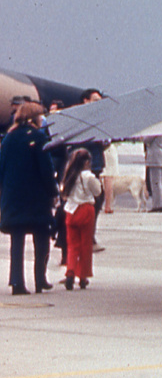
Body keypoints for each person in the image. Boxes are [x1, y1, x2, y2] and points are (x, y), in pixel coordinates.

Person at [1, 101, 57, 295]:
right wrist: (53, 192)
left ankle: (17, 281)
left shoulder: (9, 137)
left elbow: (2, 167)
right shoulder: (39, 137)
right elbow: (46, 168)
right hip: (36, 197)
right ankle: (40, 279)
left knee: (17, 241)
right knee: (41, 238)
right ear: (35, 117)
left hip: (13, 196)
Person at [59, 147, 102, 288]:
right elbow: (97, 191)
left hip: (71, 211)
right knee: (85, 245)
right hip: (85, 209)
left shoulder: (69, 175)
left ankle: (70, 272)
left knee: (72, 245)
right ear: (86, 162)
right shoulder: (88, 176)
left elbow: (64, 194)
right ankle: (82, 276)